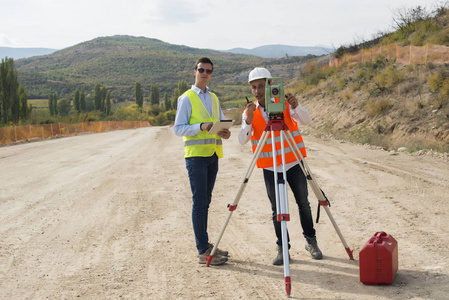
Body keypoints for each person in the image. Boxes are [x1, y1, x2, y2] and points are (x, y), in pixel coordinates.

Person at [238, 67, 323, 265]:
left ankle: (311, 241)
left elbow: (307, 121)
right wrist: (248, 121)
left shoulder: (285, 104)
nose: (258, 91)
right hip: (270, 167)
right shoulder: (249, 112)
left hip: (293, 163)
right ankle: (282, 247)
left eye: (261, 86)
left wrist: (297, 106)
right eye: (254, 87)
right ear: (250, 90)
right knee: (277, 209)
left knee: (303, 203)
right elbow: (242, 139)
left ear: (270, 85)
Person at [174, 57, 231, 265]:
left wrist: (224, 132)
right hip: (196, 157)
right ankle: (202, 251)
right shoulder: (186, 98)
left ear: (211, 73)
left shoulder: (214, 98)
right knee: (199, 203)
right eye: (201, 70)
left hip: (212, 155)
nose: (204, 73)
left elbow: (221, 122)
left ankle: (207, 246)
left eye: (208, 71)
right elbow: (178, 129)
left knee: (205, 202)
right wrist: (201, 127)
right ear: (194, 71)